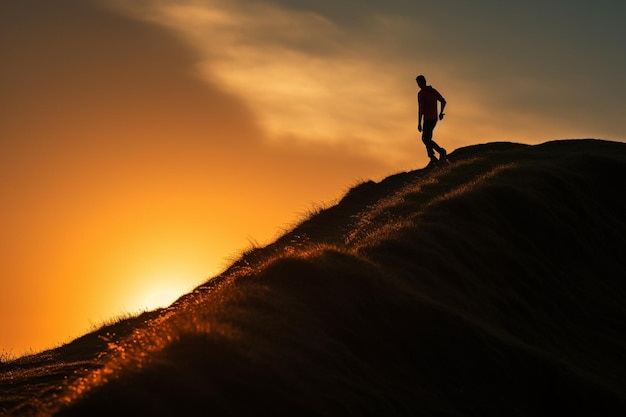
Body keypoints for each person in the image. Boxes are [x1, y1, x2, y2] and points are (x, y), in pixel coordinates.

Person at [416, 75, 447, 165]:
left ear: (422, 82)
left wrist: (419, 123)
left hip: (428, 119)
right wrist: (441, 113)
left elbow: (421, 109)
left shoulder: (421, 93)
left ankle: (440, 152)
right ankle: (433, 157)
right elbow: (443, 101)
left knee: (425, 138)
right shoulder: (432, 91)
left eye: (418, 83)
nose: (418, 85)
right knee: (427, 138)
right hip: (434, 119)